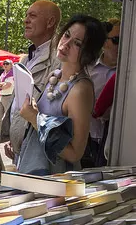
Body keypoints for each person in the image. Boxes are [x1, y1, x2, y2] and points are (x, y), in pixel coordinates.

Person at [18, 14, 107, 174]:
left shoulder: (80, 89)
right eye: (66, 35)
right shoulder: (55, 75)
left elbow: (75, 153)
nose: (65, 44)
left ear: (89, 52)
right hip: (33, 172)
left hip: (54, 182)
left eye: (77, 43)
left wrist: (34, 118)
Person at [4, 0, 61, 164]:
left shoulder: (59, 60)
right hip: (21, 153)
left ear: (50, 22)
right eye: (26, 15)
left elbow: (55, 111)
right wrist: (13, 138)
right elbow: (19, 105)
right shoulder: (25, 59)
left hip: (40, 155)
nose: (26, 20)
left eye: (33, 16)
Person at [86, 18, 120, 166]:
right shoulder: (87, 69)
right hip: (87, 142)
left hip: (115, 145)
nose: (122, 45)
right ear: (105, 42)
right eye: (117, 40)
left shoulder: (131, 73)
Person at [0, 59, 14, 137]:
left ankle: (9, 133)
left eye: (7, 63)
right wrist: (2, 84)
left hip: (9, 97)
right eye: (4, 64)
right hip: (2, 97)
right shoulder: (3, 74)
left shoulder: (13, 74)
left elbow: (7, 86)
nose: (5, 65)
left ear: (11, 65)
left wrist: (1, 84)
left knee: (8, 117)